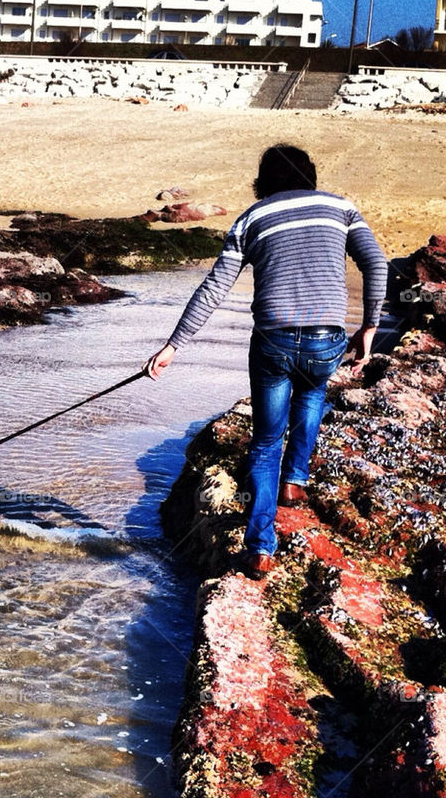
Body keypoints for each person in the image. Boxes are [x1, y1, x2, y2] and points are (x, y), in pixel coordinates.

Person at [144, 144, 387, 580]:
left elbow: (213, 288)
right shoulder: (342, 208)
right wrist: (370, 326)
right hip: (325, 339)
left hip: (273, 342)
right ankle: (294, 480)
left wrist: (173, 346)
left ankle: (260, 547)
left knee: (265, 441)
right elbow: (376, 263)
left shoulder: (250, 219)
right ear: (310, 175)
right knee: (311, 394)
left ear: (263, 182)